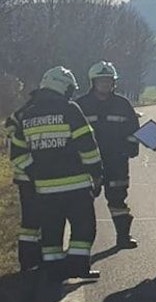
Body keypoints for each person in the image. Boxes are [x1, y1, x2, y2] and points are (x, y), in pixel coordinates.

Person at [9, 67, 102, 280]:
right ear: (63, 86)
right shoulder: (70, 109)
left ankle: (52, 270)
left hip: (44, 188)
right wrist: (97, 173)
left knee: (51, 230)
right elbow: (87, 145)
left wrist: (36, 174)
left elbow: (17, 153)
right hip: (76, 186)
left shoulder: (28, 114)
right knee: (83, 228)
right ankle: (78, 268)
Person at [75, 61, 140, 249]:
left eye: (108, 80)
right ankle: (81, 246)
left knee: (118, 199)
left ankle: (123, 237)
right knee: (83, 202)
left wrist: (131, 148)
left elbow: (133, 130)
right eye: (101, 80)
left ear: (114, 82)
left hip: (116, 161)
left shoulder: (122, 104)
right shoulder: (80, 105)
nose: (105, 84)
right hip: (87, 162)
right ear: (93, 82)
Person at [4, 88, 42, 272]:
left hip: (25, 175)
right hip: (33, 174)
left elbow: (9, 129)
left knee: (30, 221)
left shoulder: (21, 112)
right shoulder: (32, 112)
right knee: (36, 219)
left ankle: (28, 259)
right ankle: (33, 258)